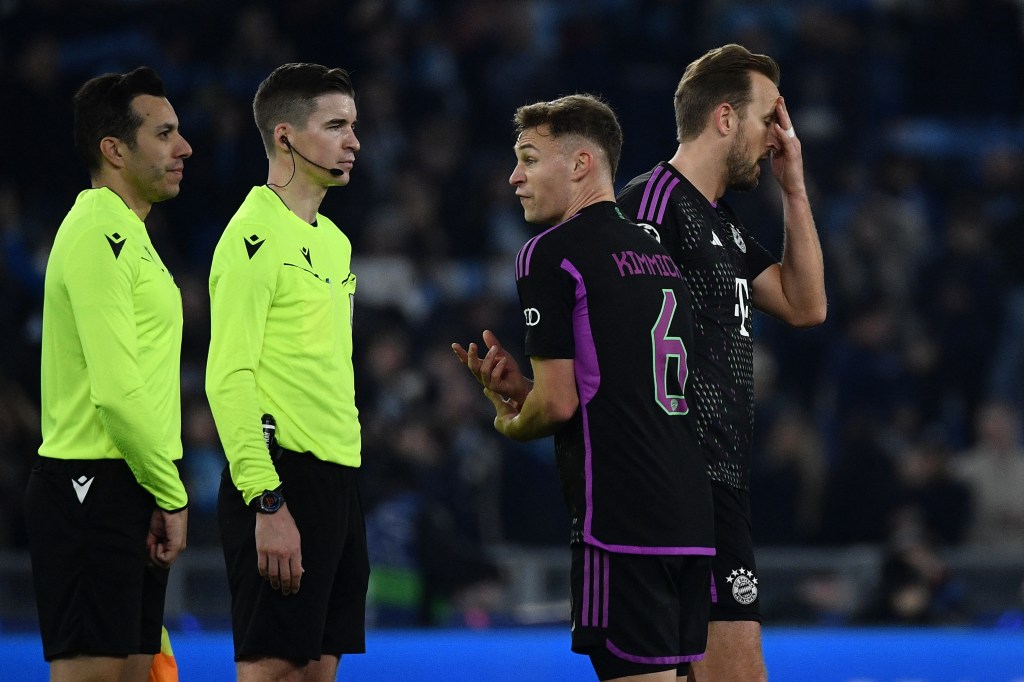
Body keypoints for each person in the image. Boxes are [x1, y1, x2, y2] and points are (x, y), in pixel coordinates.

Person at [453, 94, 714, 681]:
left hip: (621, 519)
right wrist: (527, 387)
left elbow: (562, 403)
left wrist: (510, 419)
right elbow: (611, 382)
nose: (514, 177)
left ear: (579, 165)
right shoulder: (657, 250)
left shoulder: (550, 253)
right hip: (689, 515)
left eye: (528, 158)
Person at [616, 44, 827, 682]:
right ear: (726, 118)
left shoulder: (724, 226)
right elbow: (624, 337)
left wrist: (794, 188)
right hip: (673, 477)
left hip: (719, 478)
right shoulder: (651, 204)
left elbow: (805, 304)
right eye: (769, 119)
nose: (778, 137)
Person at [24, 66, 191, 681]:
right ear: (114, 149)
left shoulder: (129, 233)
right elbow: (118, 395)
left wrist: (156, 487)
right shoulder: (99, 231)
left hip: (129, 484)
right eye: (165, 133)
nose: (184, 147)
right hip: (89, 484)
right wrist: (172, 493)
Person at [205, 62, 368, 681]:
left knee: (315, 674)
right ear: (285, 136)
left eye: (353, 125)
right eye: (335, 125)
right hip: (281, 481)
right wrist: (266, 500)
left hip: (338, 480)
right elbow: (228, 376)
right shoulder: (250, 237)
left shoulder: (333, 241)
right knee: (273, 672)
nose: (353, 140)